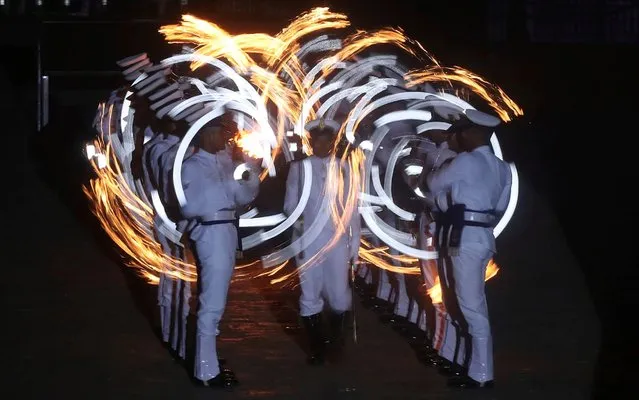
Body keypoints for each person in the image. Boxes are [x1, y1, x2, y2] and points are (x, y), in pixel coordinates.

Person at [422, 109, 511, 388]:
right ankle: (466, 365)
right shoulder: (501, 167)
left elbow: (433, 184)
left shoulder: (465, 161)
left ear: (472, 133)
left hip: (464, 239)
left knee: (470, 307)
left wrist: (437, 159)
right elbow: (499, 207)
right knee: (464, 302)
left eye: (460, 132)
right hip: (481, 236)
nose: (457, 137)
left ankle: (482, 374)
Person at [180, 121, 260, 388]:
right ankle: (205, 371)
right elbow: (189, 207)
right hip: (210, 232)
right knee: (212, 301)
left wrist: (249, 171)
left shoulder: (225, 162)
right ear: (204, 134)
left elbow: (243, 197)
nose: (224, 138)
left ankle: (208, 361)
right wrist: (223, 184)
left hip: (226, 229)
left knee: (217, 298)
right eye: (218, 133)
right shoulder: (192, 165)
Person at [283, 118, 360, 365]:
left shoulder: (345, 167)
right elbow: (289, 206)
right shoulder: (299, 168)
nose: (322, 145)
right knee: (310, 293)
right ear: (312, 142)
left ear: (333, 143)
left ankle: (335, 342)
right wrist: (300, 224)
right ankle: (317, 348)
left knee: (339, 294)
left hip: (336, 240)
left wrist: (355, 245)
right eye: (318, 140)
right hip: (309, 241)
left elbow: (353, 208)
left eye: (327, 141)